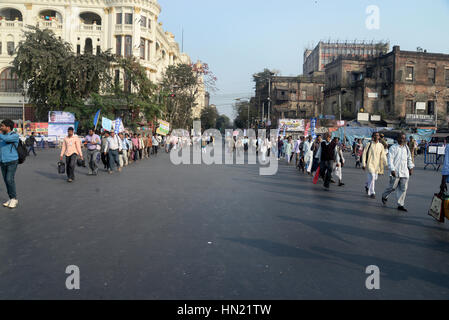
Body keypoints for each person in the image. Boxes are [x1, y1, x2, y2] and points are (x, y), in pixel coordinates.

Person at [382, 133, 415, 212]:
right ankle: (384, 196)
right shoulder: (393, 148)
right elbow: (390, 159)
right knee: (392, 187)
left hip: (404, 172)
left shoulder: (406, 148)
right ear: (398, 139)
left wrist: (411, 167)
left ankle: (400, 204)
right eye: (401, 138)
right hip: (395, 171)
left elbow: (409, 159)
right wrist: (392, 169)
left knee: (403, 189)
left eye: (404, 138)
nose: (402, 140)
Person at [0, 119, 20, 208]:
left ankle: (14, 199)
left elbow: (6, 139)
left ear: (8, 127)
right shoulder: (2, 136)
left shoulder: (14, 135)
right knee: (6, 181)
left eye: (2, 126)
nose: (1, 127)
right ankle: (11, 198)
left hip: (12, 161)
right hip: (2, 161)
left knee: (9, 179)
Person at [362, 132, 388, 199]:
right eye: (375, 135)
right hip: (370, 164)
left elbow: (383, 156)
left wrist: (386, 164)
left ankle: (367, 185)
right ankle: (372, 192)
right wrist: (363, 164)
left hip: (377, 165)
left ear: (379, 137)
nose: (377, 136)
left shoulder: (381, 146)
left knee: (374, 178)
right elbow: (364, 154)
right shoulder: (369, 144)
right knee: (373, 177)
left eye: (378, 135)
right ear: (373, 137)